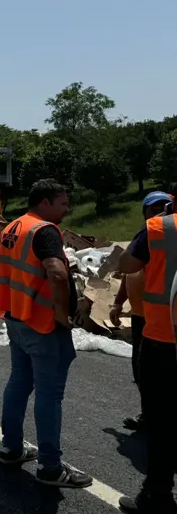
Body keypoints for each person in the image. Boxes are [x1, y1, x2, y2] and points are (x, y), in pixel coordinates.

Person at [0, 179, 92, 489]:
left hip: (16, 319)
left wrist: (1, 293)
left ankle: (12, 449)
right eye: (62, 203)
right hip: (43, 325)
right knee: (49, 394)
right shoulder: (44, 231)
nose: (67, 208)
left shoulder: (13, 227)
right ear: (45, 202)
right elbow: (57, 273)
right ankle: (49, 467)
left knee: (19, 382)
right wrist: (60, 313)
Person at [117, 193, 177, 513]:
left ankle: (157, 494)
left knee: (162, 422)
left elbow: (126, 264)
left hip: (162, 342)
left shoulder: (159, 229)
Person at [109, 190, 173, 432]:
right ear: (144, 212)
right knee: (141, 371)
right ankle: (149, 415)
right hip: (140, 316)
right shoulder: (146, 239)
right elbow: (128, 273)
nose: (157, 213)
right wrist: (117, 302)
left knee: (158, 376)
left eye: (162, 208)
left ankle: (160, 421)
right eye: (152, 210)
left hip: (160, 320)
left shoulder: (165, 238)